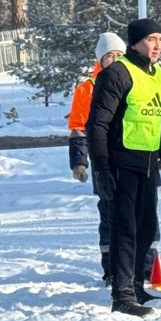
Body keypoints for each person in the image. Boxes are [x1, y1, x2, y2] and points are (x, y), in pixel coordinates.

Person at [86, 18, 161, 317]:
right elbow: (96, 124)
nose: (158, 46)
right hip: (121, 162)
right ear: (135, 42)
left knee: (146, 227)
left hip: (148, 164)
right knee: (125, 229)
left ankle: (136, 286)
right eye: (151, 39)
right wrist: (101, 168)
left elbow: (159, 121)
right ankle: (121, 294)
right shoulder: (116, 73)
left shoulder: (159, 75)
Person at [67, 31, 127, 283]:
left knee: (141, 214)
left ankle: (144, 265)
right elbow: (78, 127)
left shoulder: (134, 81)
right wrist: (79, 161)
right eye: (109, 55)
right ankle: (112, 269)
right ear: (100, 59)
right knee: (110, 213)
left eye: (119, 55)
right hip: (105, 160)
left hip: (132, 157)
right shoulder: (87, 89)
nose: (114, 59)